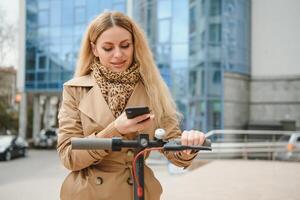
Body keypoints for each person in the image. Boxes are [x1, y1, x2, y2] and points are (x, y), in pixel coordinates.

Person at [57, 11, 206, 200]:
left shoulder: (153, 89)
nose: (118, 54)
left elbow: (175, 153)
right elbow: (68, 157)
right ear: (94, 49)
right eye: (108, 48)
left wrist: (188, 145)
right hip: (88, 193)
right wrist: (115, 129)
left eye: (125, 45)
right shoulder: (75, 90)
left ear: (135, 45)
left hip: (136, 191)